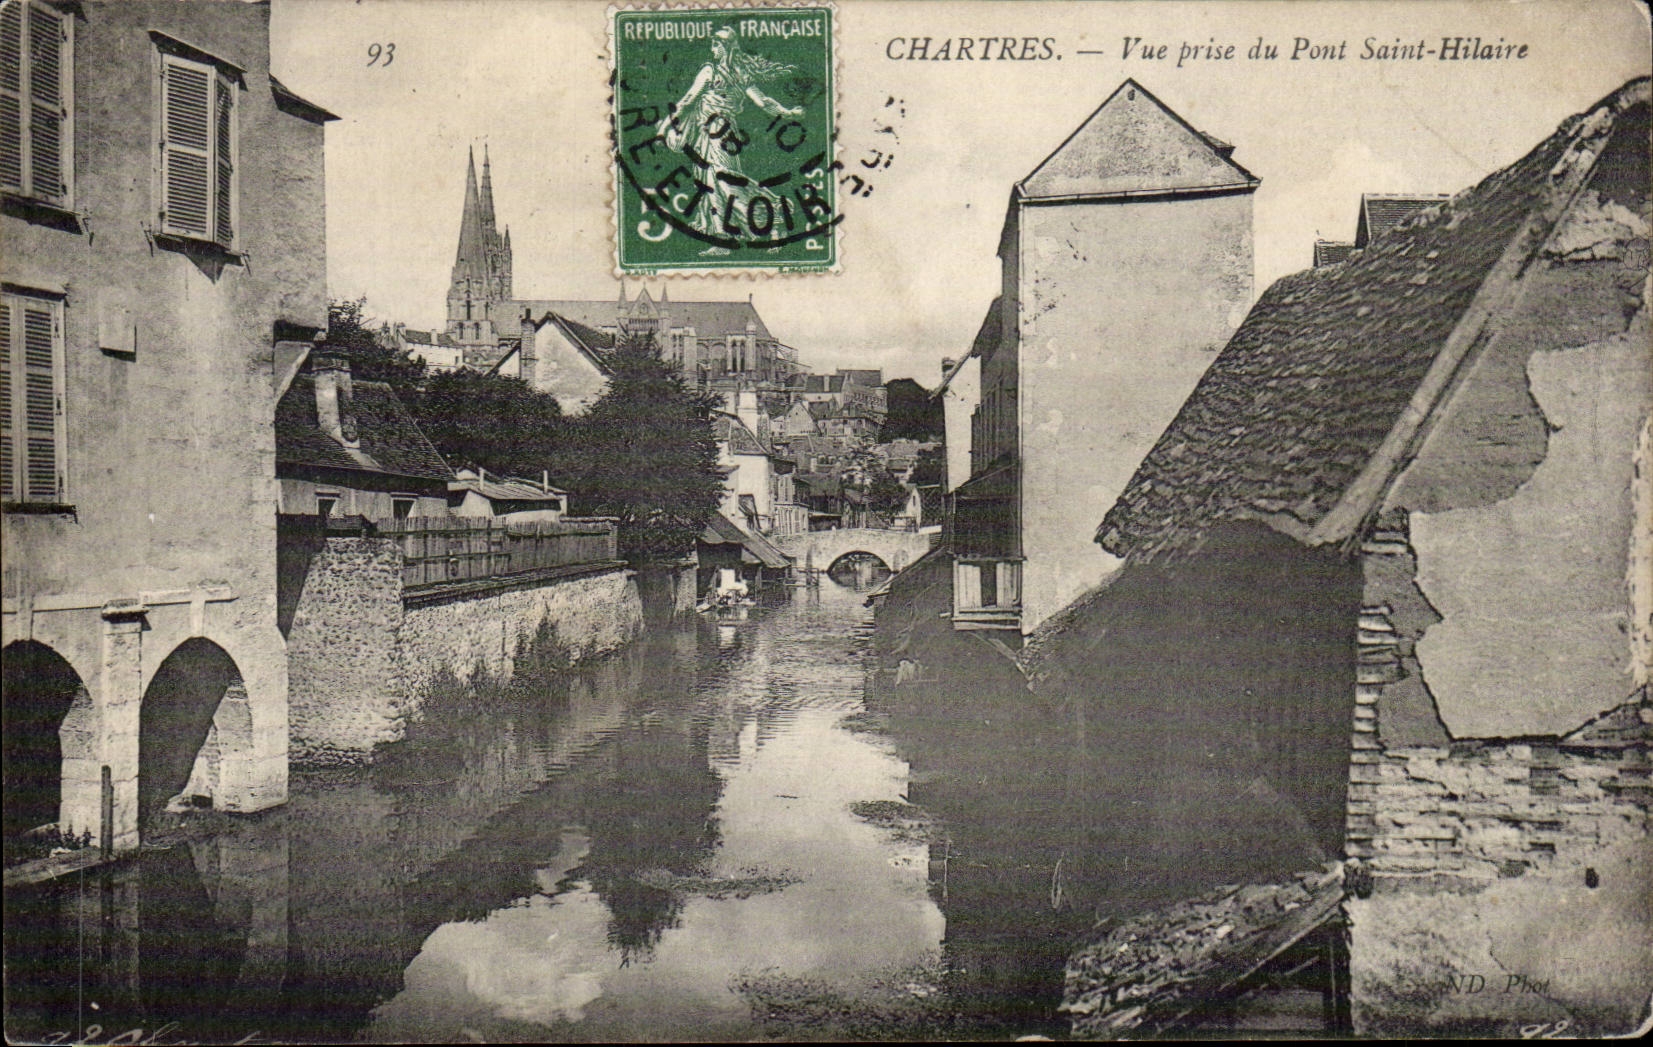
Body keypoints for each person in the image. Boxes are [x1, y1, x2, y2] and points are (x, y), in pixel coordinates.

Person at [656, 27, 803, 252]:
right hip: (716, 134)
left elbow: (687, 101)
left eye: (716, 45)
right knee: (711, 184)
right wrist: (788, 111)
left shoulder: (711, 71)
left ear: (726, 47)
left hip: (718, 133)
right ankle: (722, 238)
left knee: (724, 182)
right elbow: (764, 102)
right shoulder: (741, 74)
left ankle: (774, 219)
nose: (712, 49)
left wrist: (664, 127)